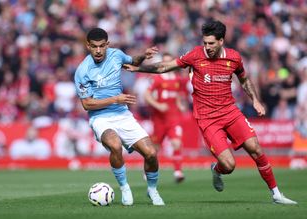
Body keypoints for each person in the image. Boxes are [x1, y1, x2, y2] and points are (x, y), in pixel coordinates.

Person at [124, 20, 297, 205]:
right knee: (229, 165)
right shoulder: (195, 55)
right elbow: (164, 67)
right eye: (205, 42)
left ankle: (276, 194)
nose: (207, 47)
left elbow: (244, 80)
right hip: (208, 120)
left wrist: (255, 100)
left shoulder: (234, 57)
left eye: (211, 43)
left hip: (231, 112)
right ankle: (217, 170)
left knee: (256, 148)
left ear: (221, 41)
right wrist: (139, 68)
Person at [74, 27, 165, 206]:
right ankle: (124, 188)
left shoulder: (116, 55)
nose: (98, 50)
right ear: (88, 46)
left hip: (123, 114)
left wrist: (143, 55)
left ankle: (152, 190)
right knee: (115, 145)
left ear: (107, 44)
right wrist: (116, 98)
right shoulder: (83, 70)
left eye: (102, 46)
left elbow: (132, 62)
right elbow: (87, 104)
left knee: (151, 153)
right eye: (94, 47)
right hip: (100, 117)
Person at [144, 53, 188, 183]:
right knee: (155, 149)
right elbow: (147, 95)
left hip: (174, 118)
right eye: (166, 62)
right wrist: (158, 105)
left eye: (170, 62)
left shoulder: (177, 79)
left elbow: (178, 95)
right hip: (159, 120)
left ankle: (178, 172)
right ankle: (147, 170)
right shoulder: (157, 79)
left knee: (176, 143)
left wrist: (180, 105)